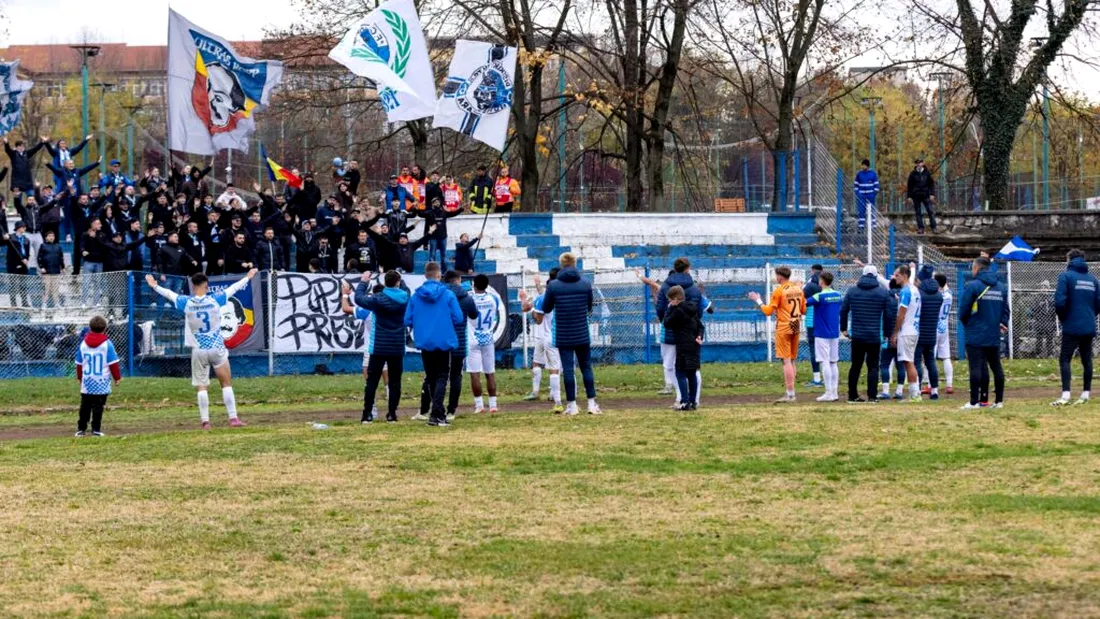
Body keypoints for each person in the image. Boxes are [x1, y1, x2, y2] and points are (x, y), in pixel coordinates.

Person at [146, 269, 259, 429]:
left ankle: (206, 422)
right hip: (216, 348)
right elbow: (233, 288)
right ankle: (233, 418)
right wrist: (248, 277)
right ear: (206, 285)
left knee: (201, 386)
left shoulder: (187, 302)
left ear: (193, 285)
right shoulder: (215, 299)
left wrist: (155, 286)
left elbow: (170, 294)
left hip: (199, 350)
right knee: (226, 383)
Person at [404, 262, 465, 427]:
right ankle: (437, 413)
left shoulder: (416, 296)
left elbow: (407, 320)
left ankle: (435, 412)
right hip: (444, 340)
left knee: (431, 376)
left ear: (425, 276)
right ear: (439, 276)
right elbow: (458, 318)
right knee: (442, 375)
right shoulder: (448, 294)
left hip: (424, 340)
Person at [541, 252, 602, 415]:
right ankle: (591, 404)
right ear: (575, 264)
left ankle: (572, 406)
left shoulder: (553, 285)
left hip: (563, 333)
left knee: (568, 370)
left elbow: (546, 308)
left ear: (561, 265)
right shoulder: (585, 284)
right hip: (582, 332)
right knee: (586, 367)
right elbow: (590, 307)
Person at [352, 272, 410, 423]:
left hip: (379, 345)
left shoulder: (377, 299)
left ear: (385, 282)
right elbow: (405, 289)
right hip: (397, 345)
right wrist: (400, 279)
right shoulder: (405, 297)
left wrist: (364, 281)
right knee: (395, 381)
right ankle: (392, 413)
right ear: (398, 282)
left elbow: (358, 298)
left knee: (372, 381)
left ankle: (367, 414)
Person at [748, 266, 806, 403]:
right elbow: (803, 310)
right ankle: (791, 392)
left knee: (785, 360)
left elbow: (768, 311)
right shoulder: (798, 289)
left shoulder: (779, 291)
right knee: (792, 359)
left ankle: (790, 394)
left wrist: (758, 300)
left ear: (780, 277)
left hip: (784, 327)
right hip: (796, 325)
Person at [959, 256, 1010, 409]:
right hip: (993, 333)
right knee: (996, 367)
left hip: (975, 333)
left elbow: (963, 310)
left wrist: (969, 323)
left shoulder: (973, 286)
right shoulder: (1001, 287)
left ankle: (974, 402)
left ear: (977, 268)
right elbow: (1006, 310)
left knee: (975, 367)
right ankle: (999, 401)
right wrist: (1002, 323)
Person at [1052, 249, 1100, 406]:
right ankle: (1086, 394)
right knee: (1087, 359)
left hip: (1071, 325)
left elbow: (1059, 302)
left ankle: (1066, 395)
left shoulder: (1065, 276)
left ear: (1069, 260)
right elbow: (1098, 304)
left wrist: (1064, 317)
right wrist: (1089, 316)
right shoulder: (1093, 280)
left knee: (1065, 358)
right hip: (1088, 324)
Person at [431, 270, 479, 422]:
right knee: (456, 375)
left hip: (441, 340)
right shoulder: (466, 297)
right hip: (459, 341)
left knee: (440, 375)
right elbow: (474, 315)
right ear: (459, 280)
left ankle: (437, 407)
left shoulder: (438, 295)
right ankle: (452, 409)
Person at [655, 258, 704, 405]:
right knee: (692, 367)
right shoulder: (694, 289)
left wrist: (666, 319)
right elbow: (698, 311)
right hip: (691, 334)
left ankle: (680, 398)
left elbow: (659, 308)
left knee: (670, 366)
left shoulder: (665, 287)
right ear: (688, 268)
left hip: (670, 332)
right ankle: (694, 399)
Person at [841, 264, 890, 403]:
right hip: (874, 335)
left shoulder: (852, 291)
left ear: (862, 275)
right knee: (873, 366)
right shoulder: (883, 292)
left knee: (855, 365)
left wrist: (843, 328)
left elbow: (843, 310)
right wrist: (886, 332)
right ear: (875, 276)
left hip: (857, 334)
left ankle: (852, 395)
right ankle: (872, 396)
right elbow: (888, 314)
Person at [520, 269, 563, 411]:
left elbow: (530, 311)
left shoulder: (542, 298)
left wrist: (525, 301)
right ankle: (555, 396)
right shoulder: (564, 295)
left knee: (540, 363)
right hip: (558, 335)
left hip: (543, 335)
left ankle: (539, 392)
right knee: (556, 367)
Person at [73, 315, 121, 437]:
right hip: (102, 381)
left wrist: (79, 377)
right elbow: (113, 363)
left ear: (90, 328)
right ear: (105, 328)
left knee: (85, 405)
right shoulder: (107, 344)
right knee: (98, 406)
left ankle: (81, 429)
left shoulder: (83, 344)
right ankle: (96, 429)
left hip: (87, 380)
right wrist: (117, 377)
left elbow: (79, 363)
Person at [662, 285, 704, 411]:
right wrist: (699, 336)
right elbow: (701, 326)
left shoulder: (677, 311)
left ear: (675, 299)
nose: (669, 302)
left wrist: (669, 310)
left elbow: (667, 323)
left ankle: (685, 401)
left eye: (670, 300)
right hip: (694, 345)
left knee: (680, 373)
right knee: (691, 373)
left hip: (682, 345)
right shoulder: (692, 309)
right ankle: (693, 401)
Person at [804, 271, 843, 402]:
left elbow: (804, 303)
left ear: (821, 282)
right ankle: (835, 392)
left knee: (824, 362)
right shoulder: (838, 295)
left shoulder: (818, 296)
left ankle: (828, 392)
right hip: (834, 332)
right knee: (833, 362)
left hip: (821, 332)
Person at [467, 274, 503, 414]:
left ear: (474, 284)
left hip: (473, 338)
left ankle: (479, 405)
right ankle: (493, 405)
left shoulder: (469, 298)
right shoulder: (493, 298)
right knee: (490, 373)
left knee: (474, 373)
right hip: (488, 338)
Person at [890, 264, 923, 402]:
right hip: (914, 329)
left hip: (907, 331)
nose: (894, 278)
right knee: (909, 361)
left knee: (908, 362)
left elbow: (901, 315)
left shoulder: (905, 291)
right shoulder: (915, 289)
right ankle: (914, 393)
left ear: (904, 276)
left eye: (897, 275)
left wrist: (895, 333)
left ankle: (915, 394)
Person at [913, 265, 944, 400]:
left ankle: (917, 389)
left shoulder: (918, 294)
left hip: (919, 333)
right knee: (931, 362)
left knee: (917, 361)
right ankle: (935, 390)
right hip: (931, 333)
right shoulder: (938, 295)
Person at [926, 273, 955, 395]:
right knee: (946, 356)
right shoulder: (949, 295)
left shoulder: (935, 295)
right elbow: (945, 285)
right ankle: (949, 384)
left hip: (933, 326)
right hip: (944, 327)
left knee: (930, 357)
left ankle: (929, 384)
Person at [878, 276, 906, 400]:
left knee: (884, 363)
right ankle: (899, 391)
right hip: (903, 335)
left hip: (888, 335)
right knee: (901, 365)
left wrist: (885, 334)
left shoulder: (885, 298)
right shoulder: (906, 296)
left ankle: (885, 391)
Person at [802, 264, 824, 388]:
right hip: (824, 321)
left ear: (811, 271)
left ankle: (817, 378)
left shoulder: (809, 286)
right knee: (825, 350)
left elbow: (802, 301)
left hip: (811, 321)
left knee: (813, 349)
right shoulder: (828, 287)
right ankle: (828, 377)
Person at [906, 158, 937, 234]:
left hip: (925, 194)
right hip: (916, 195)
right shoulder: (913, 174)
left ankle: (934, 227)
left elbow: (931, 184)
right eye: (917, 163)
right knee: (918, 212)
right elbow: (909, 186)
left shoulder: (927, 173)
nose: (919, 164)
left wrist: (932, 194)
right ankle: (921, 228)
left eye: (920, 162)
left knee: (930, 211)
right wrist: (909, 196)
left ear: (923, 163)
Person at [5, 222, 32, 307]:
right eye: (23, 227)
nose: (24, 228)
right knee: (13, 283)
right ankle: (13, 303)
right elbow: (12, 252)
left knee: (23, 284)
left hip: (24, 263)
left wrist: (26, 259)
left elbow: (27, 252)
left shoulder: (26, 239)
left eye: (25, 227)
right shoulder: (11, 238)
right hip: (13, 263)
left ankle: (24, 302)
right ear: (18, 228)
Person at [37, 230, 65, 308]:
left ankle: (57, 303)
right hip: (46, 271)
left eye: (53, 236)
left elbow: (61, 258)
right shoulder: (43, 246)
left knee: (55, 288)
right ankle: (44, 303)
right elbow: (39, 257)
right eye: (49, 236)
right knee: (46, 288)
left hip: (56, 270)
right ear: (46, 238)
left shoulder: (58, 246)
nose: (51, 237)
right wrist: (41, 267)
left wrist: (62, 267)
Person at [853, 159, 880, 231]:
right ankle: (861, 227)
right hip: (861, 196)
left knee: (871, 210)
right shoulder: (859, 174)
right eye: (862, 165)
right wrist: (858, 193)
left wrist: (873, 194)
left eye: (864, 165)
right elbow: (856, 185)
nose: (862, 166)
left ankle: (873, 227)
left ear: (867, 166)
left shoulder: (873, 174)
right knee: (861, 211)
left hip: (870, 196)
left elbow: (876, 185)